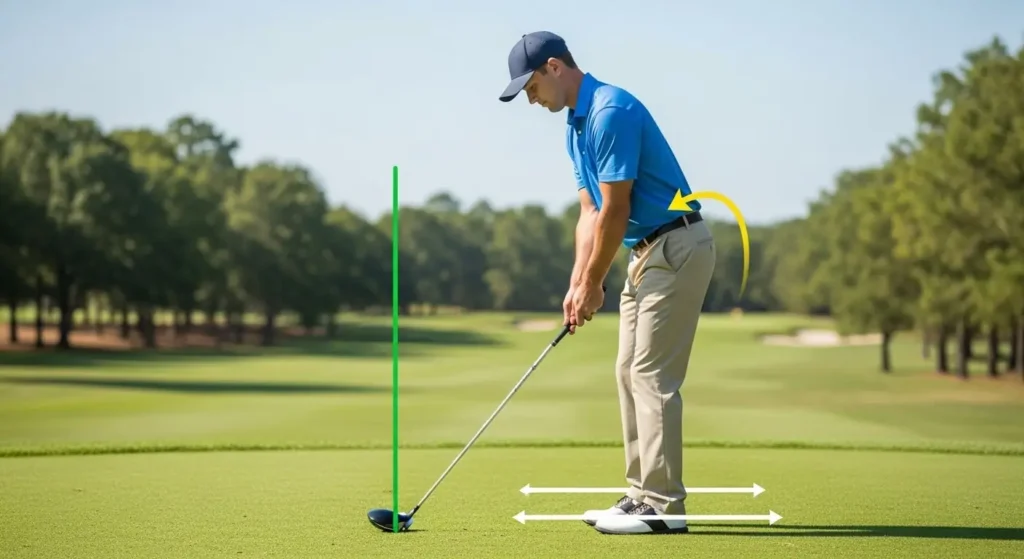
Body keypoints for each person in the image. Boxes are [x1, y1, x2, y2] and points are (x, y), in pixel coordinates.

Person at [498, 31, 716, 535]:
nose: (531, 100)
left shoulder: (609, 112)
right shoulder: (575, 127)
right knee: (626, 371)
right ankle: (641, 494)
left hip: (677, 244)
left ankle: (663, 506)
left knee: (651, 375)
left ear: (554, 67)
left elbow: (618, 208)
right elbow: (590, 211)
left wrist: (595, 281)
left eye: (531, 87)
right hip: (646, 253)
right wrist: (578, 282)